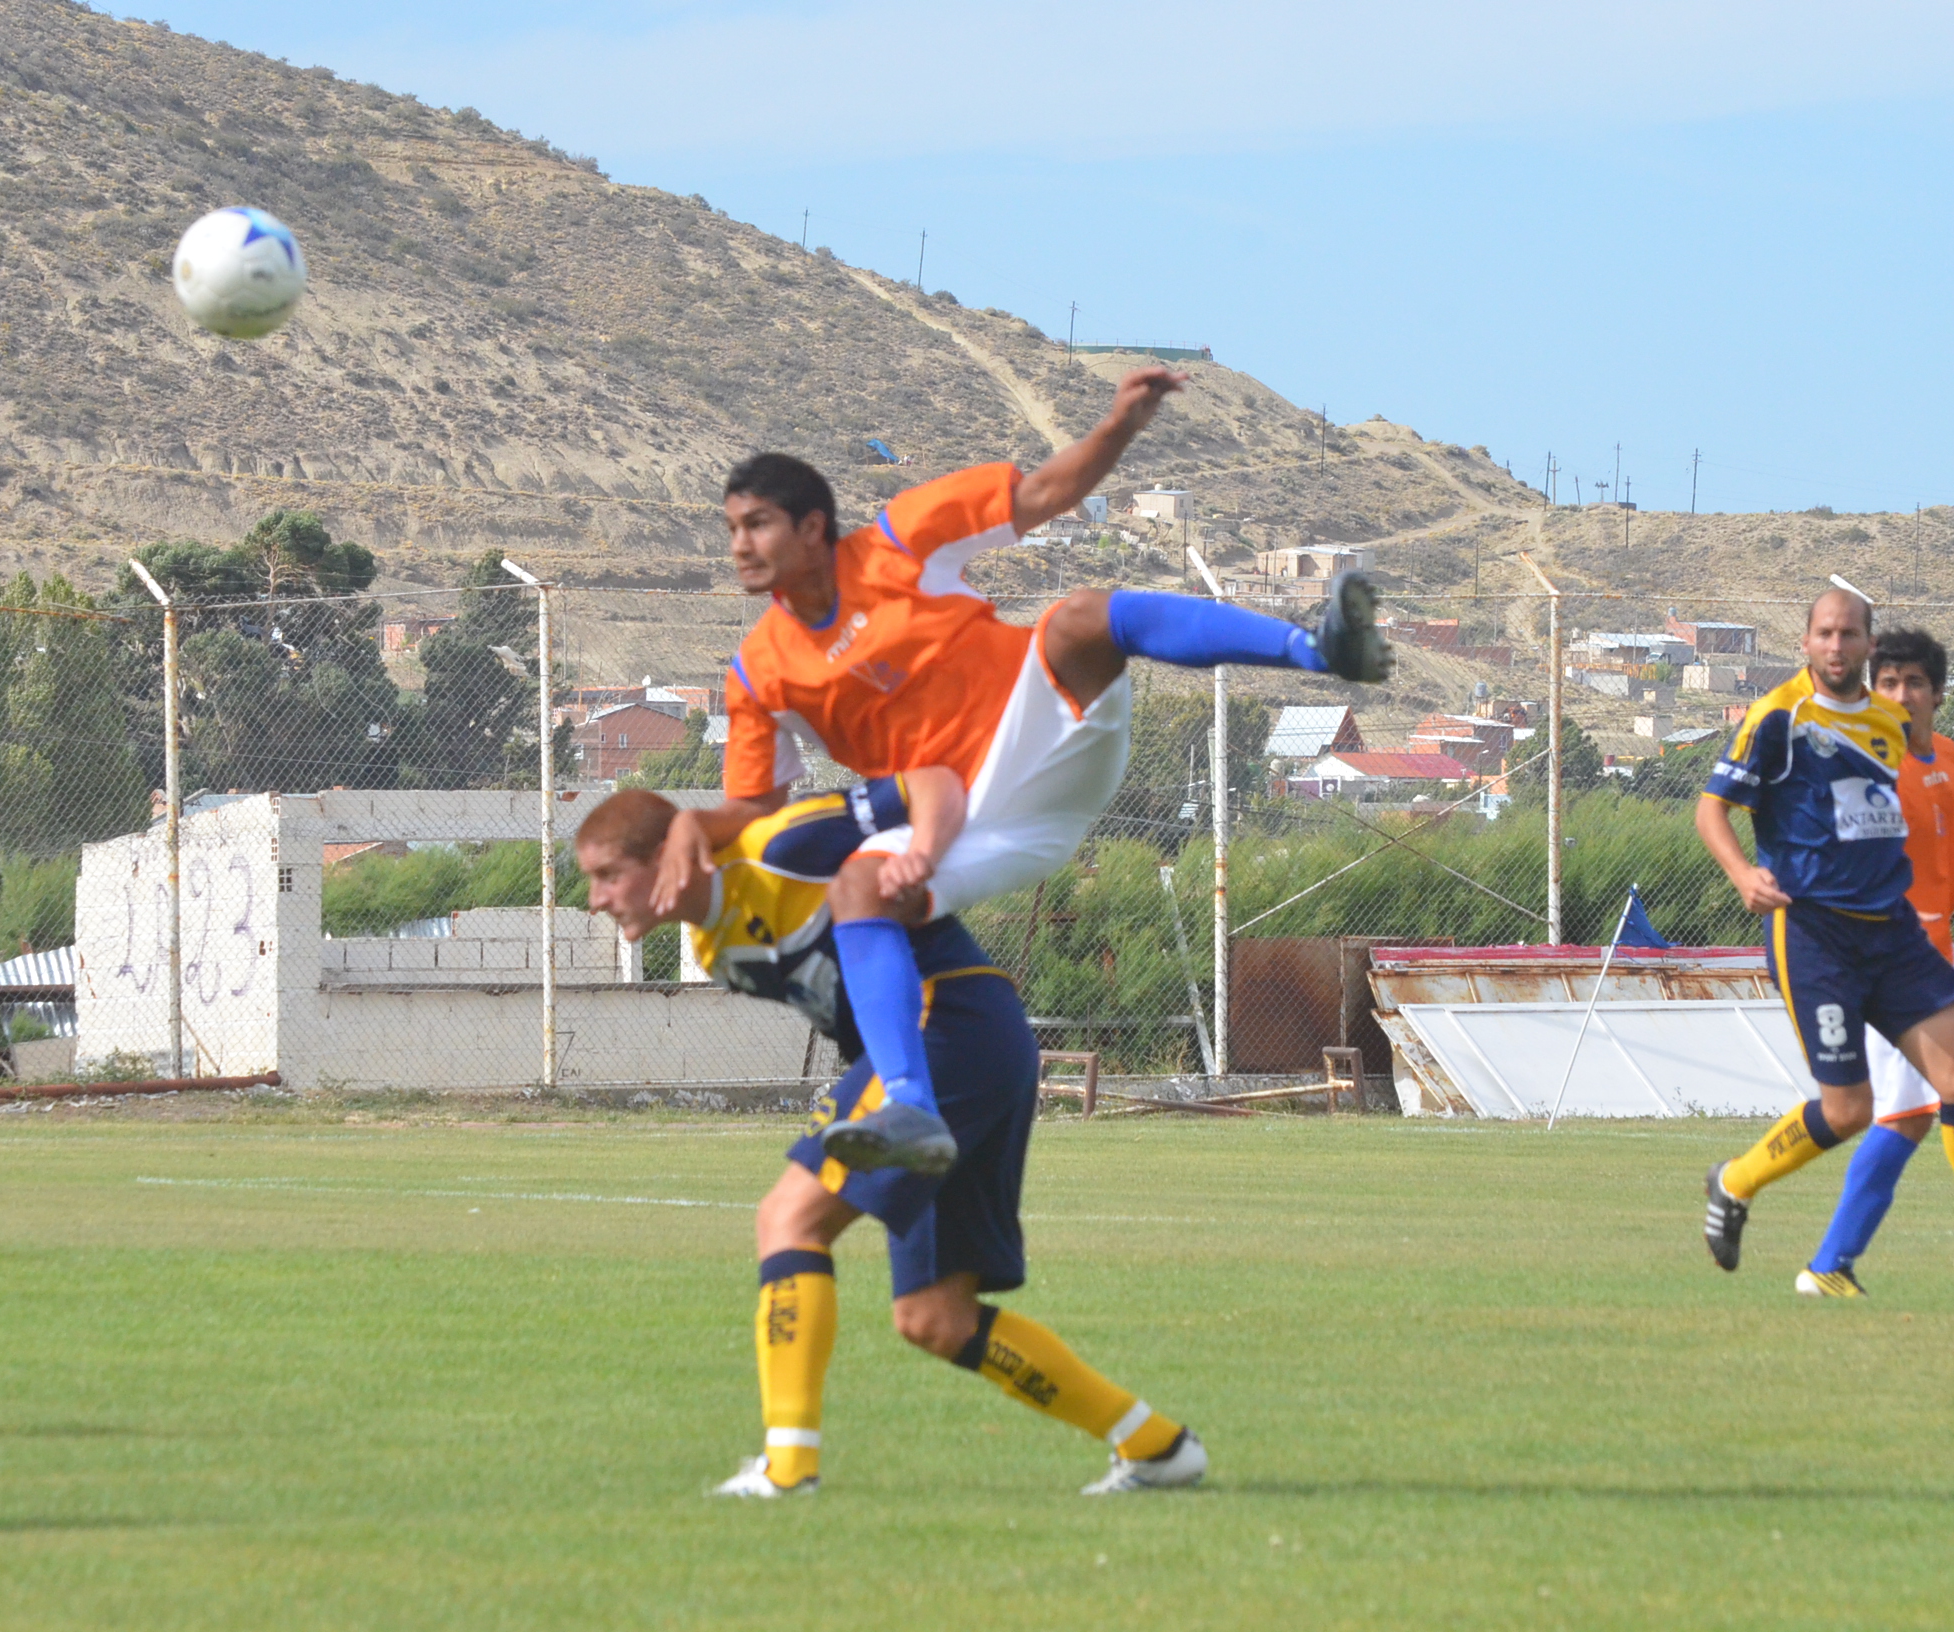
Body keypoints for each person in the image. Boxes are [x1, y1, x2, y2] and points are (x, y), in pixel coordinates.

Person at [653, 367, 1394, 1175]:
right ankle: (908, 1106)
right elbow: (756, 805)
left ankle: (1318, 649)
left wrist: (1119, 426)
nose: (738, 546)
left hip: (1043, 722)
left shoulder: (902, 538)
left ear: (812, 528)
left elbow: (1042, 493)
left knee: (1079, 617)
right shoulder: (758, 673)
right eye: (731, 528)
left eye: (756, 525)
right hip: (965, 820)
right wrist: (693, 824)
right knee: (861, 888)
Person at [576, 783, 1207, 1498]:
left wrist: (929, 853)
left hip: (952, 1023)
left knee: (788, 1218)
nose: (596, 898)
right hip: (978, 1044)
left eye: (607, 874)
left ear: (670, 856)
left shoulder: (786, 847)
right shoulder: (714, 948)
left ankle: (788, 1470)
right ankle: (1156, 1446)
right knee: (935, 1319)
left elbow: (931, 784)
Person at [1695, 588, 1954, 1304]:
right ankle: (1735, 1182)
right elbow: (1712, 808)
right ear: (1806, 641)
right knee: (1850, 1110)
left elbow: (1917, 809)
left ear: (1866, 643)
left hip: (1892, 932)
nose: (1837, 646)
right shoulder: (1779, 717)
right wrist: (1744, 874)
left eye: (1850, 634)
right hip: (1815, 934)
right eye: (1825, 633)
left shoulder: (1890, 724)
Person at [1799, 627, 1954, 1296]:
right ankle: (1828, 1266)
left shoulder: (1947, 754)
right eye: (1889, 683)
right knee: (1903, 1118)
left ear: (1938, 692)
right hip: (1889, 962)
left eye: (1913, 683)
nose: (1901, 695)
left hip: (1942, 954)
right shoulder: (1865, 764)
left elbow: (1947, 831)